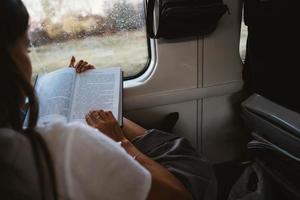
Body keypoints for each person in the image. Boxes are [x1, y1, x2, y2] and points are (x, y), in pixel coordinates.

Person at [0, 0, 216, 199]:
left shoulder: (15, 123)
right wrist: (120, 142)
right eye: (27, 49)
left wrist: (78, 88)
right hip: (186, 179)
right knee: (192, 165)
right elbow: (180, 197)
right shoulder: (65, 145)